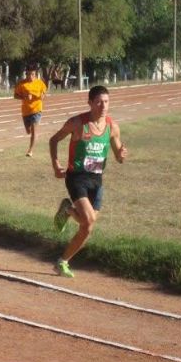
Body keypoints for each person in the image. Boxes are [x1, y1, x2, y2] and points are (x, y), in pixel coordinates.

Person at [48, 85, 128, 278]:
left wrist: (122, 155)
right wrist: (56, 165)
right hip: (76, 177)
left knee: (87, 227)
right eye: (99, 102)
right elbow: (54, 140)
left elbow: (118, 155)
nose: (103, 106)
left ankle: (62, 261)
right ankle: (68, 210)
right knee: (89, 219)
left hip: (96, 180)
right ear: (90, 103)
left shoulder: (112, 127)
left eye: (106, 102)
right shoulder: (77, 123)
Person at [13, 63, 47, 157]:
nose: (30, 76)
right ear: (26, 74)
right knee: (28, 131)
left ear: (35, 74)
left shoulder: (40, 83)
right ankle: (34, 136)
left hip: (37, 110)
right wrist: (24, 97)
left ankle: (30, 151)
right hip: (26, 111)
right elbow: (15, 96)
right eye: (28, 74)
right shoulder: (21, 84)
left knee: (34, 131)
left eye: (32, 74)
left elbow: (43, 94)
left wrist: (40, 96)